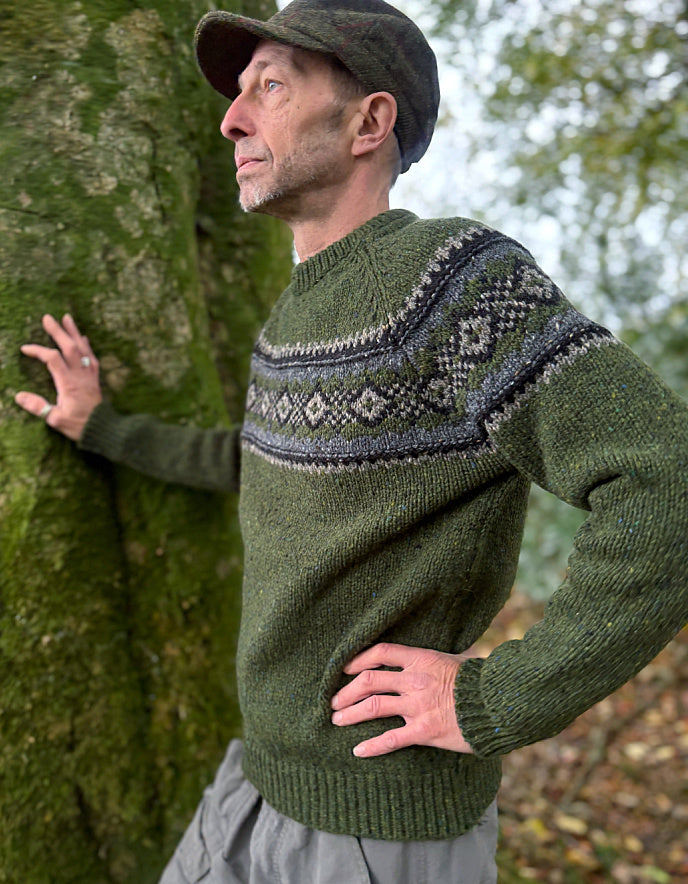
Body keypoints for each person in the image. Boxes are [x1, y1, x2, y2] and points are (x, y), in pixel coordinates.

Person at [15, 1, 688, 882]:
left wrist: (500, 697)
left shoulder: (452, 279)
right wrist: (99, 428)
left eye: (270, 87)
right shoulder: (293, 314)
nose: (230, 119)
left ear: (369, 122)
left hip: (380, 828)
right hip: (253, 783)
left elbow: (665, 478)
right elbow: (256, 460)